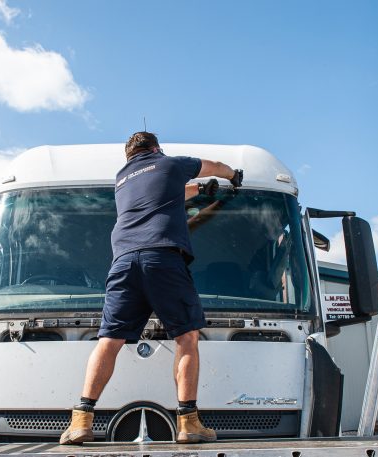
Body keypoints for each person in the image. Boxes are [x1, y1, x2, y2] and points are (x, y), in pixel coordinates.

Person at [59, 132, 243, 445]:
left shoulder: (122, 180)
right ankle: (188, 423)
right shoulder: (170, 163)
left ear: (130, 156)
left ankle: (80, 420)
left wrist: (198, 190)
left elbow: (166, 193)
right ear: (156, 149)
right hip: (161, 258)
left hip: (123, 262)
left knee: (109, 340)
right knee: (186, 337)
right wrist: (232, 176)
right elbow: (214, 165)